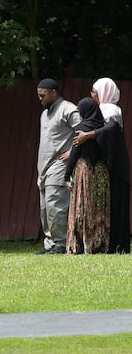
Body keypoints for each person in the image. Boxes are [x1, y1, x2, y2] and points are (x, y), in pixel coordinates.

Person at [73, 78, 130, 253]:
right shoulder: (99, 111)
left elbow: (111, 129)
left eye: (94, 91)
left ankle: (118, 245)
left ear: (104, 92)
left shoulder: (112, 110)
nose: (92, 95)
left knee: (117, 205)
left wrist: (90, 135)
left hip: (116, 165)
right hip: (106, 164)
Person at [35, 78, 80, 255]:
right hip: (43, 167)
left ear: (54, 92)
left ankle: (61, 243)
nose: (40, 99)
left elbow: (82, 132)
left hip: (59, 165)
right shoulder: (44, 114)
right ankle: (50, 245)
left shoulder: (68, 109)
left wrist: (71, 152)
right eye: (38, 96)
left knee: (55, 205)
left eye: (43, 96)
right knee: (45, 208)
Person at [65, 97, 110, 254]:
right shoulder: (104, 128)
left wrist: (66, 175)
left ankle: (82, 244)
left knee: (83, 206)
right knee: (100, 207)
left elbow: (74, 154)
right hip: (102, 172)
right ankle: (100, 243)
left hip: (85, 171)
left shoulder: (81, 128)